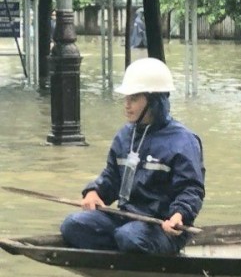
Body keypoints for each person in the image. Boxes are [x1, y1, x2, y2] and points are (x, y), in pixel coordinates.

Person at [60, 57, 205, 254]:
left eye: (134, 99)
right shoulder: (124, 136)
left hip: (162, 227)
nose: (127, 105)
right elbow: (111, 177)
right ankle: (124, 251)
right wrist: (94, 192)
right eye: (126, 98)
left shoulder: (183, 140)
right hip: (124, 219)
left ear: (154, 100)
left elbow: (191, 189)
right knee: (73, 225)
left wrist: (179, 214)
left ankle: (136, 250)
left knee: (129, 237)